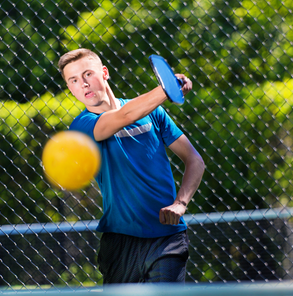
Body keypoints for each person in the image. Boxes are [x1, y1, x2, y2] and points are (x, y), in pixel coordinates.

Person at [57, 48, 205, 284]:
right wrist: (168, 87)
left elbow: (195, 160)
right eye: (73, 80)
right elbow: (124, 116)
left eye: (87, 74)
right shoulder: (82, 126)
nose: (83, 84)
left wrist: (181, 203)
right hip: (119, 241)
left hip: (168, 237)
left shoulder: (154, 113)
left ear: (104, 73)